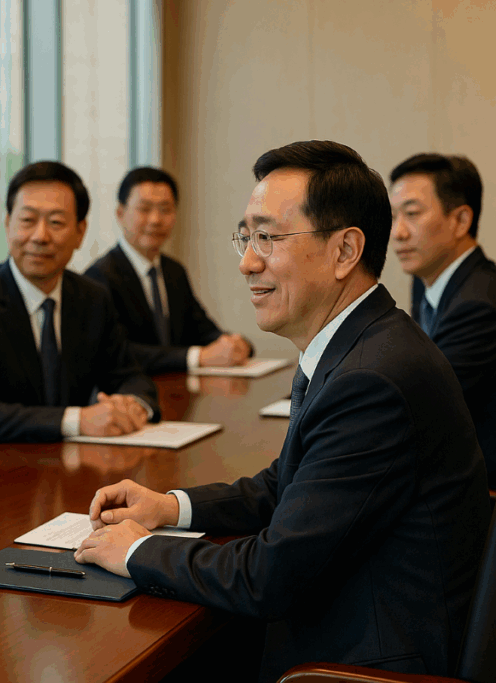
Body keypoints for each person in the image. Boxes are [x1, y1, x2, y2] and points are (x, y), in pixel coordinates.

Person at [74, 141, 489, 681]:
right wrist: (169, 507)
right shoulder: (362, 341)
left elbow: (269, 576)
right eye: (245, 237)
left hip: (365, 660)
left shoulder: (372, 377)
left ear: (344, 251)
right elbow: (287, 486)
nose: (247, 262)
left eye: (267, 237)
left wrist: (140, 551)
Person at [0, 161, 161, 468]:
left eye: (56, 223)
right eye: (27, 220)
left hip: (54, 466)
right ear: (8, 224)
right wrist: (80, 419)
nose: (40, 236)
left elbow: (130, 376)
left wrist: (133, 406)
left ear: (80, 232)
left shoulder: (92, 298)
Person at [389, 153, 496, 487]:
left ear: (460, 221)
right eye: (393, 217)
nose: (397, 233)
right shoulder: (428, 283)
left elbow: (424, 406)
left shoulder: (478, 303)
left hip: (475, 487)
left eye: (412, 214)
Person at [85, 167, 252, 374]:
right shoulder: (99, 276)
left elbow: (202, 329)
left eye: (165, 209)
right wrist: (198, 357)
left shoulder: (173, 271)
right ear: (120, 213)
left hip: (178, 392)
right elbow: (118, 351)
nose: (156, 220)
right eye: (144, 209)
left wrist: (235, 344)